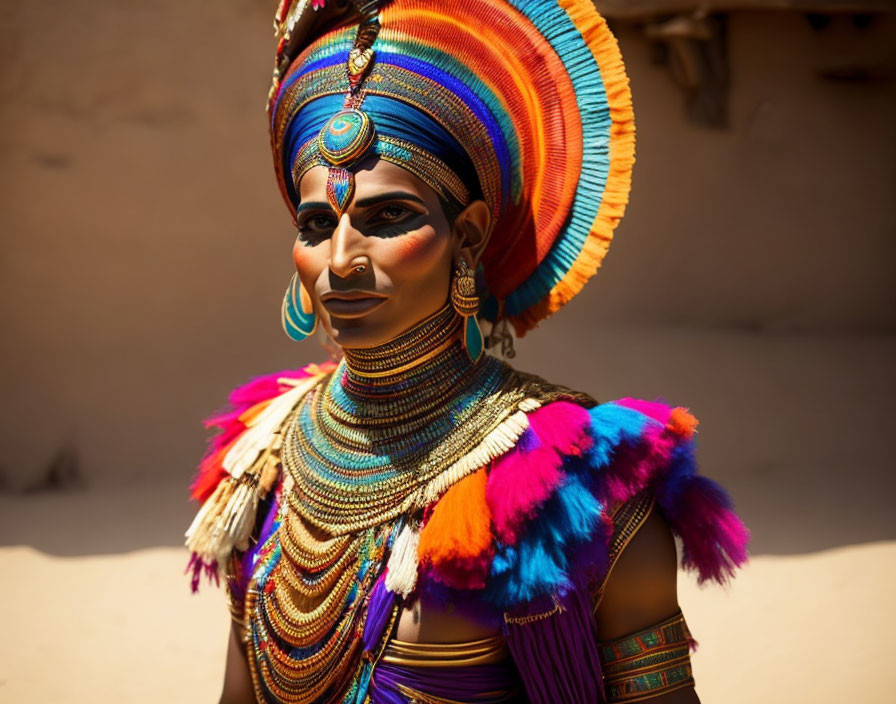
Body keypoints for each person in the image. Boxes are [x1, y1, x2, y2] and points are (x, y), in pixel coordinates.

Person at [184, 1, 750, 702]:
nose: (341, 260)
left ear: (472, 236)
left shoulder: (582, 489)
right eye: (315, 223)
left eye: (387, 217)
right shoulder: (264, 459)